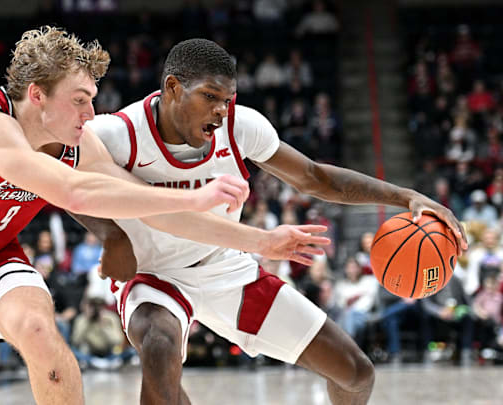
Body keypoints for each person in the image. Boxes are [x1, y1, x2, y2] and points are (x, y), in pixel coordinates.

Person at [0, 27, 262, 405]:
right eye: (79, 100)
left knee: (39, 329)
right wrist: (194, 199)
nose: (91, 113)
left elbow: (152, 211)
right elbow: (71, 192)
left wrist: (262, 240)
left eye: (92, 99)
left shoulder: (75, 144)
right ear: (37, 95)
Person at [82, 39, 468, 405]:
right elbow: (62, 180)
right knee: (159, 347)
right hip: (154, 274)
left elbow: (316, 178)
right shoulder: (118, 133)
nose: (221, 110)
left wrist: (406, 196)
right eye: (210, 97)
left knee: (356, 372)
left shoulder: (239, 127)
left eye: (227, 100)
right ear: (173, 88)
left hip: (225, 268)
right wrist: (111, 234)